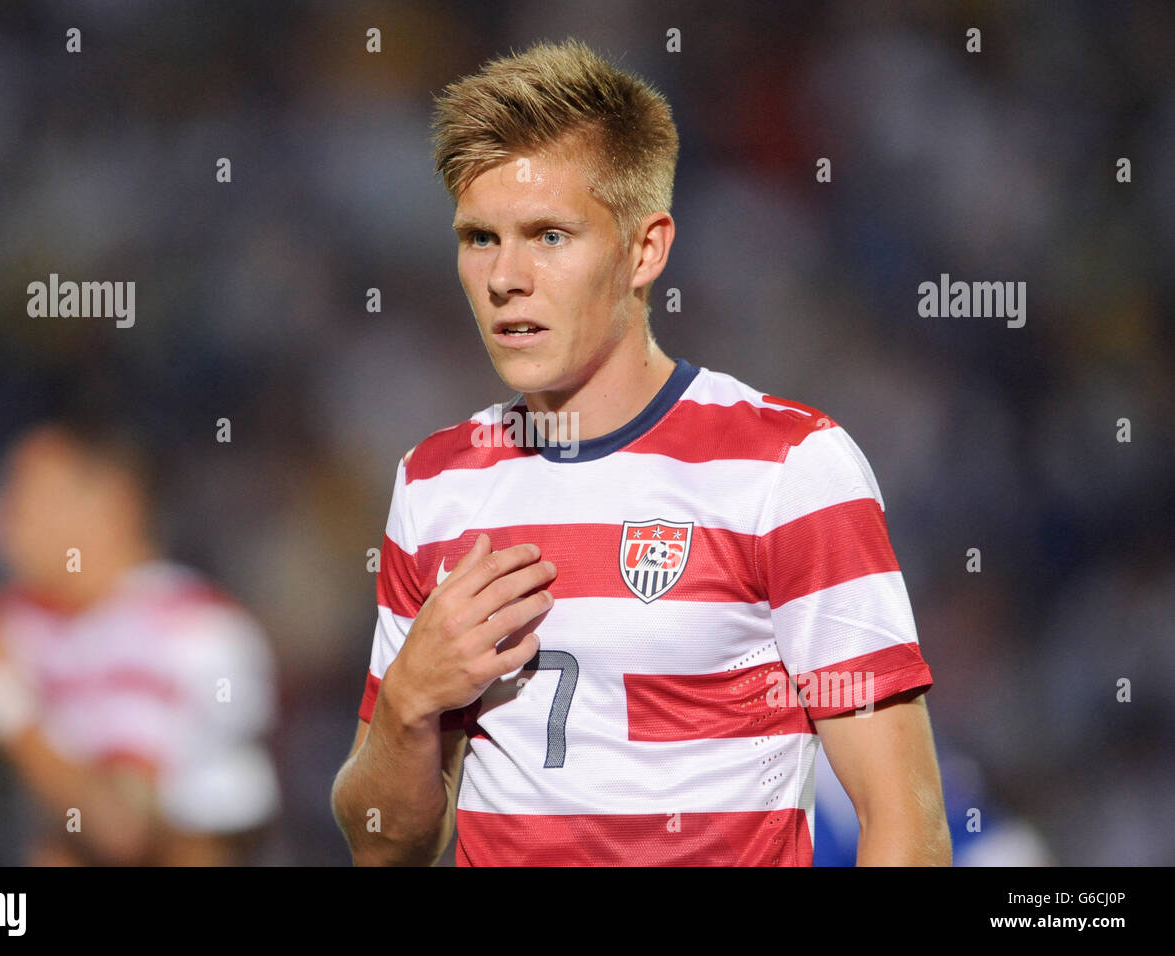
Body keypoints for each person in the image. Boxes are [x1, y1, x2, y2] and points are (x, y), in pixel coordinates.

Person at [330, 38, 949, 866]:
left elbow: (904, 824)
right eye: (480, 238)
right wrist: (408, 699)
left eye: (548, 235)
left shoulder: (791, 469)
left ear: (645, 249)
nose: (505, 276)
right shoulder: (435, 483)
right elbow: (384, 847)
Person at [0, 416, 280, 865]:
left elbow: (121, 826)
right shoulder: (27, 624)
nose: (1, 520)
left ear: (112, 503)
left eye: (27, 495)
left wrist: (5, 706)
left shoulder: (195, 636)